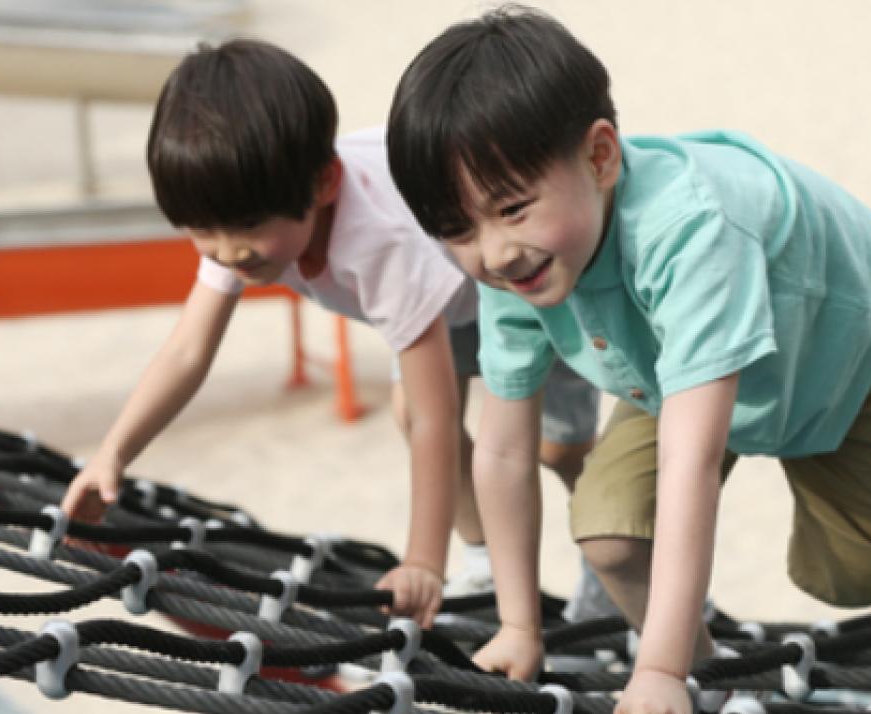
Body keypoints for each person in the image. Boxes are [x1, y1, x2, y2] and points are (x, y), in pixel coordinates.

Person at [385, 5, 871, 711]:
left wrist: (649, 671)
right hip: (675, 360)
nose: (493, 251)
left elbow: (692, 460)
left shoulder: (689, 232)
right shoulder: (514, 270)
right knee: (612, 532)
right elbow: (502, 449)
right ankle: (716, 677)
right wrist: (517, 622)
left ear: (600, 158)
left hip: (851, 345)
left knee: (853, 572)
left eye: (513, 208)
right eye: (456, 229)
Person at [59, 38, 601, 628]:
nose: (225, 251)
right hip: (446, 300)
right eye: (200, 230)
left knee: (558, 449)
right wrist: (113, 453)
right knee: (404, 408)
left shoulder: (376, 245)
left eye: (242, 229)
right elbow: (189, 350)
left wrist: (421, 561)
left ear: (323, 185)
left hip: (522, 282)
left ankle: (613, 565)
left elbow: (436, 417)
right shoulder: (241, 211)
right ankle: (483, 561)